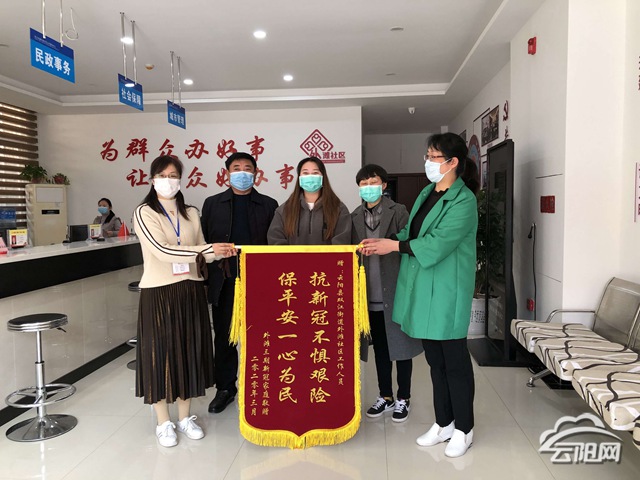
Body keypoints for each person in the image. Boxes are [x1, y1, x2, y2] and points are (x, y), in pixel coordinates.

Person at [360, 132, 479, 457]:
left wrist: (395, 246)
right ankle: (444, 423)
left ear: (452, 162)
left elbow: (437, 243)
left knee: (454, 363)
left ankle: (464, 428)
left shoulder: (464, 200)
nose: (427, 162)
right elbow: (412, 231)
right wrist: (385, 241)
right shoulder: (429, 191)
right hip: (424, 289)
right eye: (427, 156)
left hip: (447, 292)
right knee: (435, 362)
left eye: (433, 157)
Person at [132, 155, 236, 448]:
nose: (168, 180)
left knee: (189, 352)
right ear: (152, 179)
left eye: (173, 175)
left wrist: (220, 251)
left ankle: (185, 417)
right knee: (161, 354)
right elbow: (162, 250)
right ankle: (163, 421)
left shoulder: (190, 212)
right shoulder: (144, 212)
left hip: (191, 290)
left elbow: (200, 249)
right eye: (162, 175)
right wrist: (208, 251)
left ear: (180, 179)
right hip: (159, 292)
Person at [201, 152, 278, 414]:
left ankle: (265, 385)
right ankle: (225, 388)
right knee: (224, 337)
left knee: (262, 336)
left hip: (260, 282)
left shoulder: (269, 204)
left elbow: (276, 244)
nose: (242, 172)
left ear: (256, 173)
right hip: (224, 281)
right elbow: (204, 243)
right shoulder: (213, 204)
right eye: (236, 168)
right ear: (227, 173)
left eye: (247, 168)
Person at [351, 164, 423, 423]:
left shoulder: (399, 211)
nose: (369, 187)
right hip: (369, 294)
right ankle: (386, 396)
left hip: (395, 291)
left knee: (401, 348)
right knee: (380, 348)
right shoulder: (354, 216)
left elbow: (410, 242)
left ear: (383, 185)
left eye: (373, 182)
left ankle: (404, 397)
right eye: (364, 183)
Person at [267, 156, 351, 245]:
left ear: (323, 177)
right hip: (292, 255)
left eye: (315, 173)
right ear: (299, 178)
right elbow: (276, 241)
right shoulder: (284, 210)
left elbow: (342, 242)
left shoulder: (338, 209)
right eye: (305, 173)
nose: (310, 177)